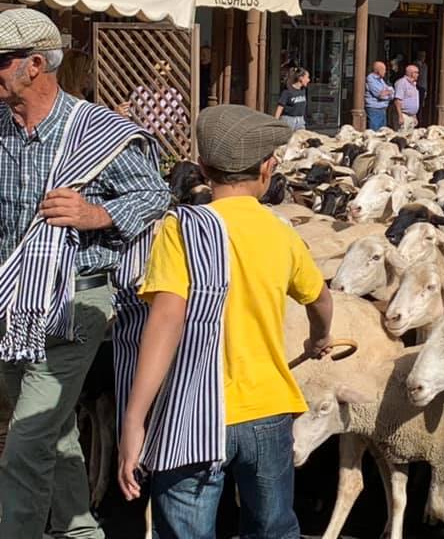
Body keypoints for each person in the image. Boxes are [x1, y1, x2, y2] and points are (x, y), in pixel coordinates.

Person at [116, 104, 333, 537]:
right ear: (268, 168)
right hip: (269, 411)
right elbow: (321, 299)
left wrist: (133, 420)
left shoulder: (182, 230)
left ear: (201, 168)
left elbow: (164, 323)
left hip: (192, 411)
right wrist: (318, 338)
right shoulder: (281, 232)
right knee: (271, 528)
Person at [0, 8, 169, 538]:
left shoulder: (98, 131)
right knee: (51, 430)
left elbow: (155, 193)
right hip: (11, 304)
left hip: (77, 300)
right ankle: (80, 531)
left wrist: (99, 214)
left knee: (25, 438)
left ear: (33, 65)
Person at [364, 60, 394, 130]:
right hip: (375, 110)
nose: (385, 72)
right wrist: (387, 93)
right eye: (384, 70)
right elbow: (380, 95)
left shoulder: (381, 80)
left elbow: (392, 93)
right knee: (375, 132)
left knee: (382, 132)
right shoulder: (371, 78)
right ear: (378, 70)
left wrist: (387, 93)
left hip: (383, 109)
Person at [394, 63, 420, 130]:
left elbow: (413, 101)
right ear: (411, 73)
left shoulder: (413, 85)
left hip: (411, 117)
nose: (418, 74)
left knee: (410, 138)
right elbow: (397, 100)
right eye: (416, 72)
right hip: (404, 115)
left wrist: (414, 115)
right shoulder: (402, 83)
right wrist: (400, 116)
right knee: (402, 137)